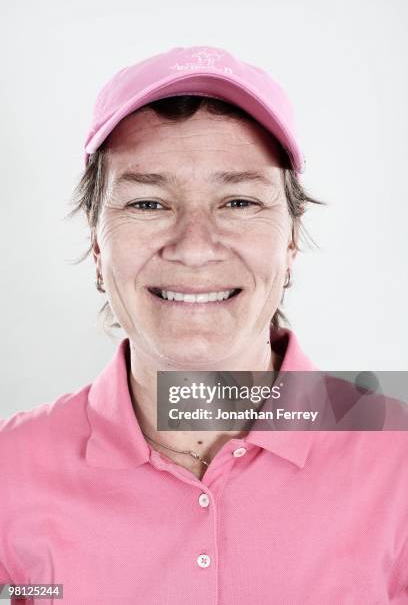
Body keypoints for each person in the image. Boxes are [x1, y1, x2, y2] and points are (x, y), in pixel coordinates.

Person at [0, 46, 407, 604]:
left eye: (238, 201)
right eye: (147, 204)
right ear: (97, 246)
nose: (194, 248)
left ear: (290, 244)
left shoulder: (398, 456)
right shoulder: (11, 469)